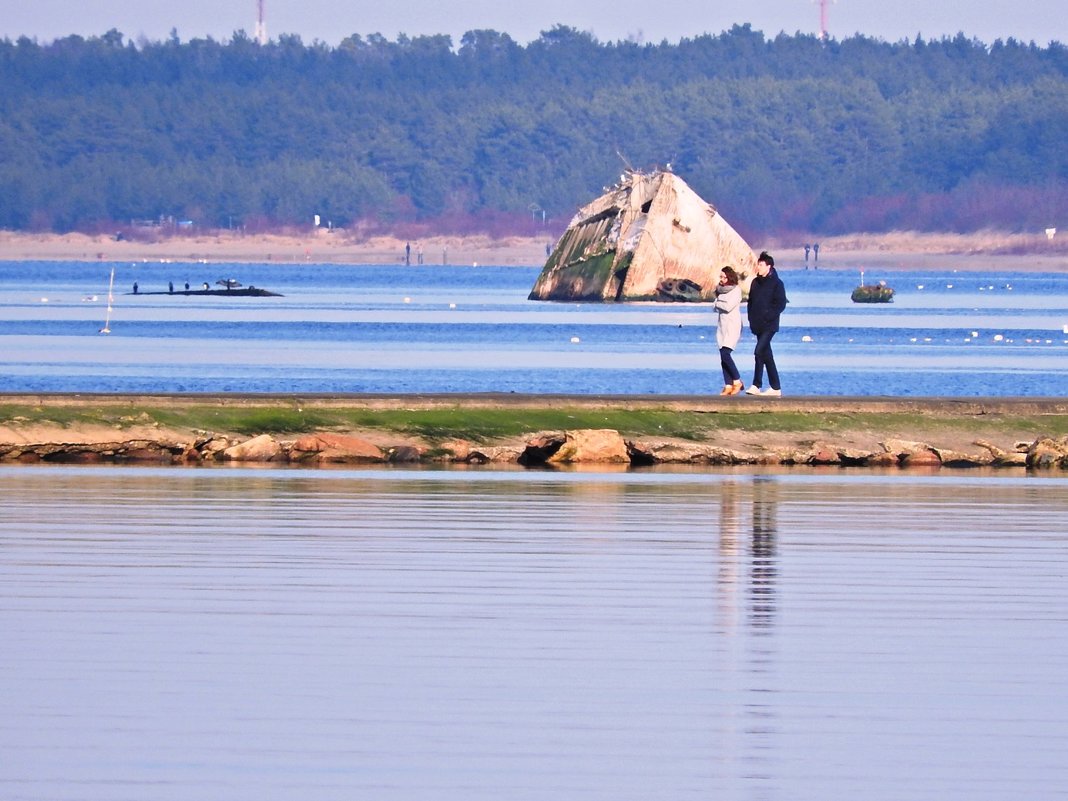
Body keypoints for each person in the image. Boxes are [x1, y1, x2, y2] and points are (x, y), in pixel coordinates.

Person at [745, 251, 788, 397]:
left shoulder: (777, 283)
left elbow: (781, 303)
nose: (758, 267)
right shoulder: (755, 282)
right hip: (757, 324)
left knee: (758, 351)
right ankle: (775, 387)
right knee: (767, 355)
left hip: (770, 325)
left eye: (761, 265)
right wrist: (751, 318)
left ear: (769, 266)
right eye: (758, 264)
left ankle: (756, 385)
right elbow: (750, 302)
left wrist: (770, 315)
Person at [714, 266, 744, 395]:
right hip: (722, 326)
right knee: (722, 355)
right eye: (720, 277)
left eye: (723, 277)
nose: (721, 279)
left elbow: (727, 306)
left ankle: (737, 381)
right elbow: (715, 305)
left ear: (729, 277)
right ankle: (728, 384)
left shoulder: (736, 290)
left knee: (726, 353)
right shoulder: (720, 291)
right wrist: (717, 303)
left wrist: (717, 303)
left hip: (733, 325)